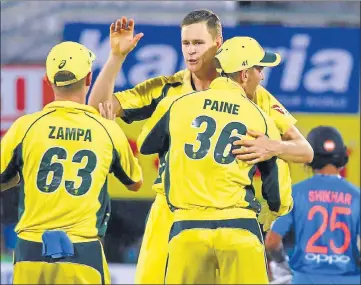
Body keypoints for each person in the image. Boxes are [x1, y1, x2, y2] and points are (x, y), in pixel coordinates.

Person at [88, 10, 313, 284]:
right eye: (186, 43)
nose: (191, 52)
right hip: (174, 212)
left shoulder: (255, 94)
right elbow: (97, 109)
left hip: (229, 211)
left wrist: (272, 146)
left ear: (219, 43)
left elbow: (305, 149)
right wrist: (116, 57)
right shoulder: (168, 88)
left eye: (198, 43)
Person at [137, 36, 293, 284]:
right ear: (244, 74)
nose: (261, 77)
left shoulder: (177, 105)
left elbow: (146, 145)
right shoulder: (261, 118)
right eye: (259, 69)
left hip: (187, 230)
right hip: (240, 230)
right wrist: (274, 212)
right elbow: (279, 195)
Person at [0, 41, 143, 284]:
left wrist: (20, 176)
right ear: (89, 78)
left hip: (30, 252)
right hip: (82, 251)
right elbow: (135, 183)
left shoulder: (25, 127)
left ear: (48, 80)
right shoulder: (105, 129)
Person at [265, 126, 360, 284]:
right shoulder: (357, 196)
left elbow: (272, 242)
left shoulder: (296, 192)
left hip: (305, 279)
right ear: (342, 156)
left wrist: (283, 265)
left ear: (311, 156)